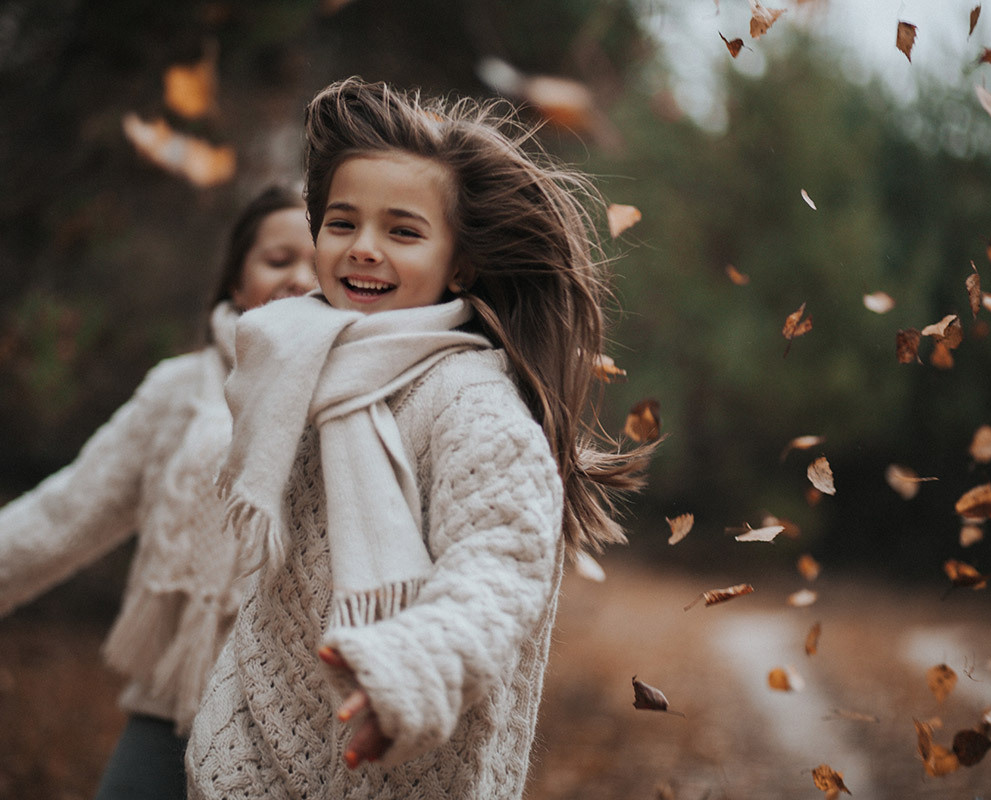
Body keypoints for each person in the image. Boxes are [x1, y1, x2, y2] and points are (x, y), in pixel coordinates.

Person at [185, 78, 653, 800]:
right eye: (342, 223)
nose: (364, 249)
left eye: (402, 232)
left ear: (458, 263)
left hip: (402, 769)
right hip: (242, 771)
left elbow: (498, 571)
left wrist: (408, 669)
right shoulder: (288, 367)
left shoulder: (470, 400)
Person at [0, 185, 317, 800]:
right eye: (278, 260)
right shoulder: (176, 391)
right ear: (235, 280)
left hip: (304, 723)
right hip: (174, 703)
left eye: (316, 262)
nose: (298, 277)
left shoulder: (369, 393)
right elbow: (58, 518)